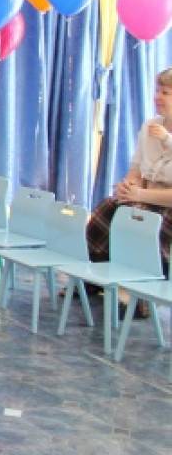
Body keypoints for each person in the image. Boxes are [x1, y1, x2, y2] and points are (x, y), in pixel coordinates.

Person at [85, 67, 172, 314]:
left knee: (140, 220)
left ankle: (138, 297)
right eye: (157, 90)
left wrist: (140, 195)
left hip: (165, 205)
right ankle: (95, 276)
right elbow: (136, 168)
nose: (157, 97)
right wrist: (128, 186)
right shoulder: (150, 126)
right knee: (108, 208)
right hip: (145, 197)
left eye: (165, 92)